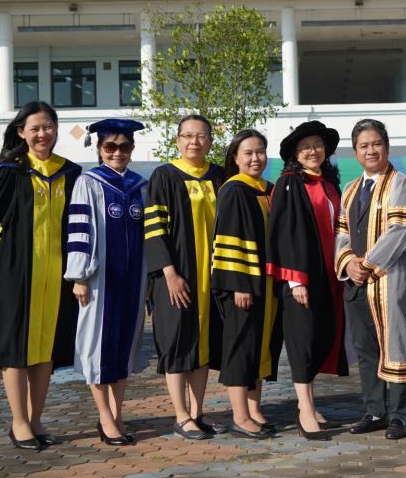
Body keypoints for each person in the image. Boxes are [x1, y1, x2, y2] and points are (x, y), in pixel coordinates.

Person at [0, 101, 82, 451]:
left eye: (48, 127)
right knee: (15, 347)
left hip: (57, 276)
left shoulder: (70, 172)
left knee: (46, 349)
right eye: (35, 128)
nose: (42, 134)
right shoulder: (9, 172)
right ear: (21, 132)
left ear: (56, 130)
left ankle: (35, 420)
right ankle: (19, 423)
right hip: (15, 274)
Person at [335, 118, 406, 441]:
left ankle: (399, 415)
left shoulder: (401, 183)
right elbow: (341, 234)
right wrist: (348, 263)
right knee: (365, 348)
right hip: (355, 283)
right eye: (363, 146)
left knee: (395, 344)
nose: (370, 150)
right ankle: (374, 411)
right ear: (355, 152)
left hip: (388, 279)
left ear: (386, 146)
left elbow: (402, 231)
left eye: (376, 144)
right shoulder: (350, 189)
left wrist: (367, 264)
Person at [65, 119, 150, 446]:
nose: (117, 152)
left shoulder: (140, 186)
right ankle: (104, 417)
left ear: (132, 148)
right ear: (99, 149)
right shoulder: (88, 183)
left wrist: (150, 278)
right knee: (98, 346)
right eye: (110, 146)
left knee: (124, 346)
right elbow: (79, 231)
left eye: (124, 146)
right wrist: (79, 276)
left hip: (134, 279)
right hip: (100, 280)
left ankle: (117, 413)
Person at [144, 115, 227, 441]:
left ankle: (197, 412)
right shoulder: (164, 176)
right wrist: (169, 274)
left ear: (210, 141)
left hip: (211, 276)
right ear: (177, 140)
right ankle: (180, 415)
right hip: (176, 276)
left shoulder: (219, 175)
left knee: (202, 342)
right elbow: (155, 229)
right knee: (177, 341)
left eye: (201, 136)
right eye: (188, 136)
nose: (194, 142)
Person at [267, 121, 347, 441]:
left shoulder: (329, 183)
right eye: (305, 147)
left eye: (317, 145)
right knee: (302, 341)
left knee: (319, 338)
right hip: (301, 278)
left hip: (328, 276)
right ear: (295, 155)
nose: (312, 151)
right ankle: (304, 411)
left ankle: (311, 406)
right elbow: (283, 233)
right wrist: (294, 280)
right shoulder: (289, 183)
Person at [211, 129, 283, 440]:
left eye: (260, 152)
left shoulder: (268, 189)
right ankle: (239, 416)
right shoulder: (234, 190)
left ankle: (255, 410)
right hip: (244, 283)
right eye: (248, 153)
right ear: (236, 158)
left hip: (267, 282)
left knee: (260, 345)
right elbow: (229, 237)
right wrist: (238, 284)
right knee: (241, 346)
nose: (256, 158)